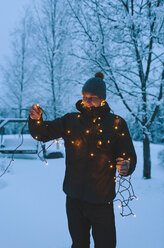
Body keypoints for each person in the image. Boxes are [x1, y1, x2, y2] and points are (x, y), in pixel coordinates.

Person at [28, 72, 137, 248]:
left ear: (102, 99)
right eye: (84, 97)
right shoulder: (71, 121)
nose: (87, 102)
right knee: (79, 244)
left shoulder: (116, 123)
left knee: (106, 244)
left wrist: (126, 166)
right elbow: (43, 133)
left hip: (101, 201)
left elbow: (128, 155)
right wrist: (36, 121)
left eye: (92, 98)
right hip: (74, 199)